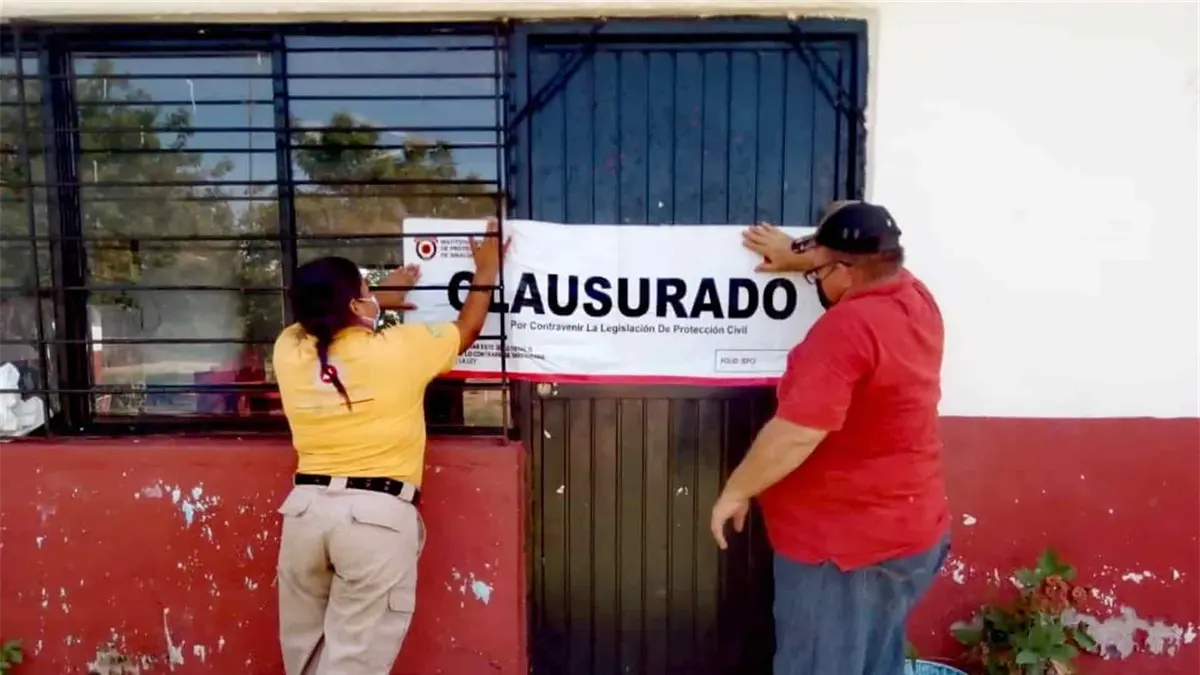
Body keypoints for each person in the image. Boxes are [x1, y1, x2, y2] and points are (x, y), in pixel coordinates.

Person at [710, 201, 950, 675]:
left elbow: (797, 434)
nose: (814, 279)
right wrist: (801, 255)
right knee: (875, 664)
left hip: (845, 554)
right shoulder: (916, 298)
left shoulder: (846, 329)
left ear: (844, 269)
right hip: (912, 535)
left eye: (817, 272)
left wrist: (736, 491)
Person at [272, 219, 506, 675]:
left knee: (305, 657)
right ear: (356, 304)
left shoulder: (288, 349)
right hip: (373, 521)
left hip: (304, 515)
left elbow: (314, 319)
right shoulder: (400, 348)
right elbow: (468, 328)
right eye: (366, 289)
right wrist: (486, 271)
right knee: (354, 662)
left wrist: (376, 297)